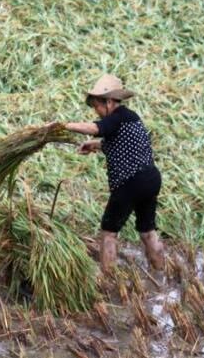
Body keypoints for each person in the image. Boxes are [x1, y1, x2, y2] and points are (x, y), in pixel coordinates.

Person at [60, 74, 165, 273]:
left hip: (130, 182)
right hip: (150, 179)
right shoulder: (130, 118)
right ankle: (162, 274)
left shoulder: (116, 117)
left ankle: (108, 282)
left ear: (109, 102)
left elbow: (94, 128)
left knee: (109, 233)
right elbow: (123, 144)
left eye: (97, 106)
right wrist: (97, 145)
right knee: (147, 231)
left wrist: (63, 126)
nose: (97, 112)